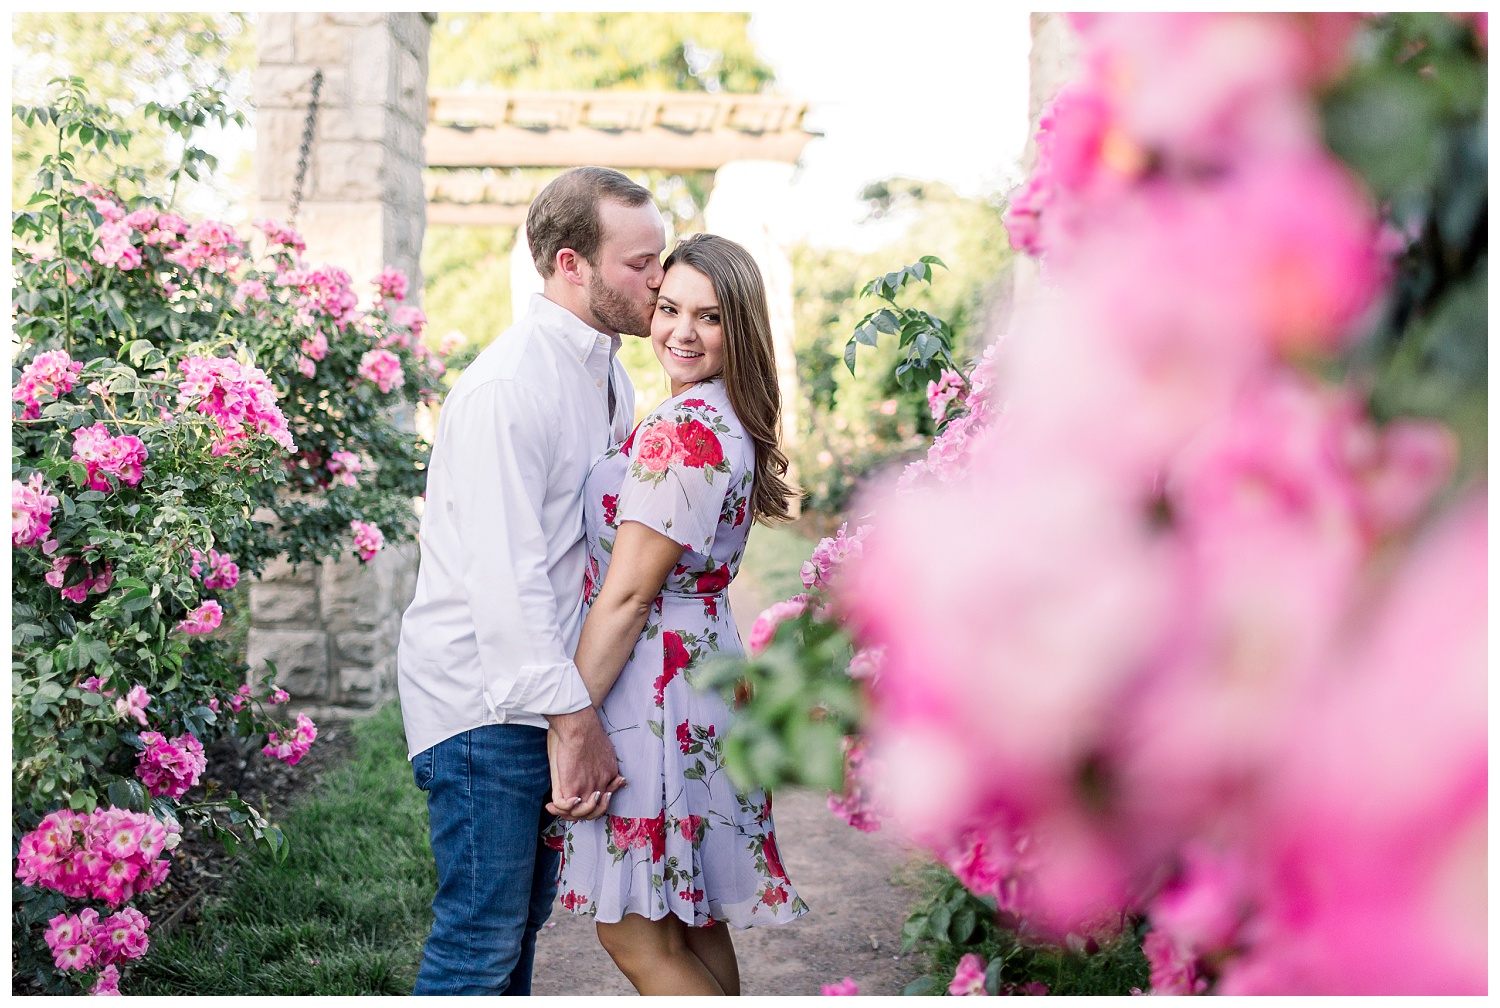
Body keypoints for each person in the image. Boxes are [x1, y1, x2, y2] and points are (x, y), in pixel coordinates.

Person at [396, 166, 666, 996]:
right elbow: (503, 581)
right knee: (479, 940)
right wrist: (575, 721)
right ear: (568, 263)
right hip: (485, 706)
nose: (659, 280)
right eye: (639, 264)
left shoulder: (606, 372)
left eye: (662, 258)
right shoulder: (511, 385)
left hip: (543, 693)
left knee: (518, 933)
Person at [546, 234, 809, 996]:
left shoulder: (684, 430)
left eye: (710, 317)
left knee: (631, 927)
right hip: (697, 673)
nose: (681, 332)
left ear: (741, 329)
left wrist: (570, 719)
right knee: (689, 920)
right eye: (668, 309)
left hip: (653, 688)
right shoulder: (720, 413)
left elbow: (627, 597)